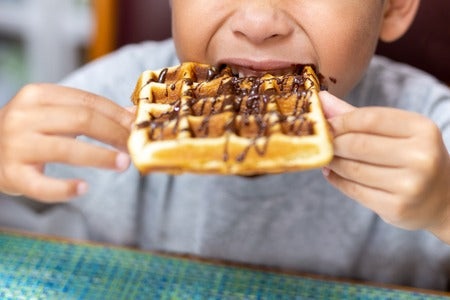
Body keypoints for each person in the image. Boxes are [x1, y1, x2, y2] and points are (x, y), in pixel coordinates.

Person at [0, 0, 449, 290]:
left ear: (392, 7)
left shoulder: (430, 131)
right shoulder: (106, 101)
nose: (258, 23)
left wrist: (443, 208)